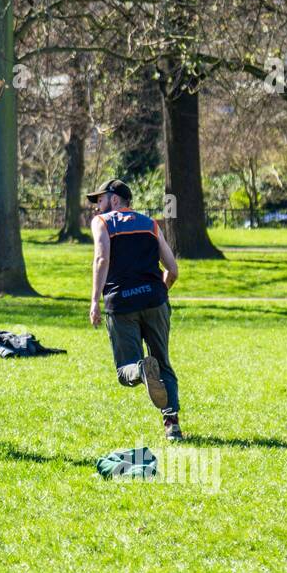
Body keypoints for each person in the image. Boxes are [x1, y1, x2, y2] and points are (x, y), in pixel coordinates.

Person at [88, 178, 184, 441]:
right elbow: (172, 270)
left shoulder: (103, 223)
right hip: (155, 300)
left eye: (100, 200)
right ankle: (172, 425)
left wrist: (95, 300)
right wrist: (161, 292)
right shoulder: (151, 224)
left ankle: (141, 370)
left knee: (125, 370)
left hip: (121, 304)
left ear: (115, 199)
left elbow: (101, 258)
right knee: (163, 363)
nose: (97, 207)